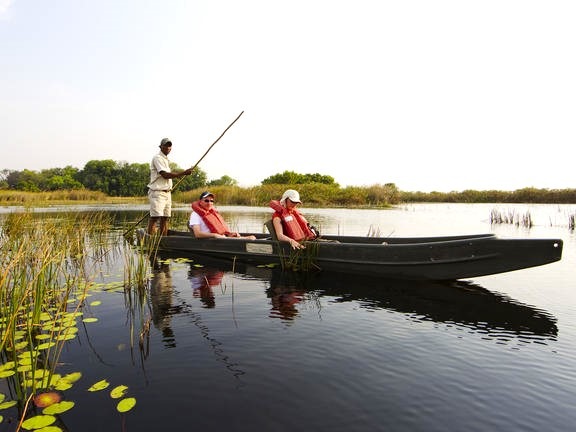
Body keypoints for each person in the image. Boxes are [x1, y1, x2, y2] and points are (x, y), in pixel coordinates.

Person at [147, 138, 192, 235]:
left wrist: (181, 174)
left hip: (167, 193)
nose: (168, 147)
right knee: (155, 218)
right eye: (165, 145)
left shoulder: (165, 159)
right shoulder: (157, 158)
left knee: (165, 218)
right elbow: (165, 175)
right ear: (161, 147)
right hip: (157, 193)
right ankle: (150, 241)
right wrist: (184, 173)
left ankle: (164, 239)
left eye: (169, 146)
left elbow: (167, 176)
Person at [189, 191, 257, 239]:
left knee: (249, 237)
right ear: (200, 201)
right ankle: (244, 239)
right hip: (211, 239)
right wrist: (215, 235)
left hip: (220, 237)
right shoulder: (195, 214)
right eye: (206, 200)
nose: (209, 203)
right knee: (249, 239)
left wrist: (229, 234)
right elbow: (197, 234)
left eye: (211, 201)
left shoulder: (211, 213)